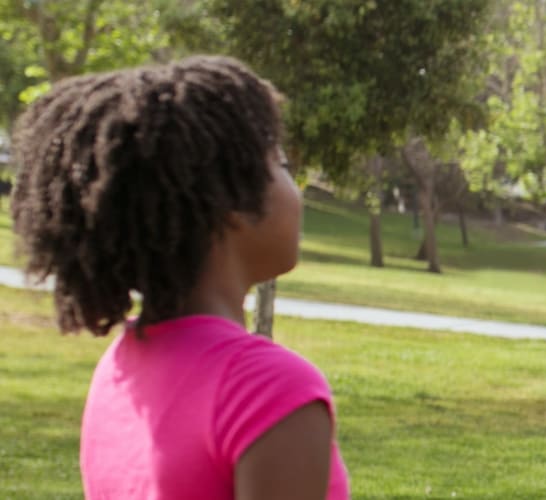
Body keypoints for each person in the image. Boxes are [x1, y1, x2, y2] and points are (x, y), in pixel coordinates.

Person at [8, 56, 344, 498]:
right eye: (279, 163)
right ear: (232, 200)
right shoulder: (269, 388)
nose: (293, 185)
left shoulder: (120, 366)